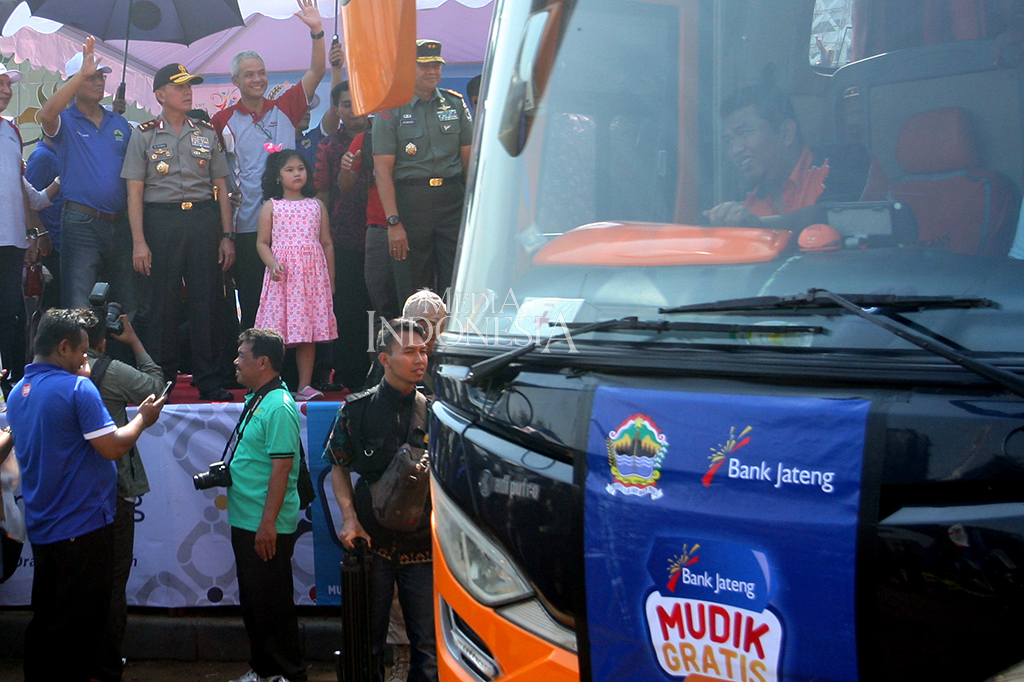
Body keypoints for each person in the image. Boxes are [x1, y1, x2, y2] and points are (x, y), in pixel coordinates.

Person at [5, 308, 165, 682]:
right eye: (81, 352)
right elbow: (112, 447)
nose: (84, 360)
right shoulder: (78, 388)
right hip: (84, 530)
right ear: (63, 347)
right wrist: (143, 418)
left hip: (44, 530)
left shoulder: (16, 393)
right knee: (80, 632)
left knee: (47, 622)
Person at [324, 318, 436, 682]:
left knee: (428, 646)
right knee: (365, 642)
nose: (420, 359)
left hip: (423, 545)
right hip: (371, 543)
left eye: (423, 351)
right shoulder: (355, 410)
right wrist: (348, 518)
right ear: (385, 359)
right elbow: (338, 467)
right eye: (409, 352)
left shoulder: (437, 415)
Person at [121, 63, 236, 402]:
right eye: (180, 87)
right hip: (161, 221)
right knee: (162, 303)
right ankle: (162, 379)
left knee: (207, 300)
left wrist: (227, 234)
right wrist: (139, 242)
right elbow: (134, 193)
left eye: (191, 86)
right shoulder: (143, 134)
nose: (188, 92)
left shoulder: (205, 131)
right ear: (160, 95)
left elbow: (221, 186)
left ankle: (209, 378)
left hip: (203, 219)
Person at [211, 0, 327, 331]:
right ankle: (254, 371)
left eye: (262, 73)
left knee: (294, 297)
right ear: (236, 80)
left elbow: (317, 71)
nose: (258, 79)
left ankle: (290, 374)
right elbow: (216, 175)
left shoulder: (286, 107)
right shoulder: (222, 120)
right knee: (252, 299)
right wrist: (226, 231)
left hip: (291, 226)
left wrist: (317, 31)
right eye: (250, 74)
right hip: (247, 225)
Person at [82, 311, 165, 682]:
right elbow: (156, 388)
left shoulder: (49, 377)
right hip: (113, 488)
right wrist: (133, 341)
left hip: (72, 490)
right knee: (113, 581)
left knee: (74, 578)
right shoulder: (109, 371)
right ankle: (106, 665)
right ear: (101, 341)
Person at [227, 328, 306, 682]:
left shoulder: (279, 406)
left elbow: (283, 468)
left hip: (265, 525)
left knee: (272, 606)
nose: (236, 362)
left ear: (263, 362)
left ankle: (287, 674)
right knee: (256, 604)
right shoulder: (258, 397)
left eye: (242, 356)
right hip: (247, 519)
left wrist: (268, 524)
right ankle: (263, 671)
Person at [38, 39, 137, 313]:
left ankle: (119, 357)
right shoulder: (65, 120)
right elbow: (45, 114)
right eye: (90, 77)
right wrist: (80, 73)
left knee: (125, 305)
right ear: (74, 82)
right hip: (81, 224)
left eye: (100, 77)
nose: (98, 82)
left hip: (120, 224)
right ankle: (83, 358)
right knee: (79, 307)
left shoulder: (119, 122)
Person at [704, 82, 886, 230]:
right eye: (729, 141)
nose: (735, 150)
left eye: (744, 132)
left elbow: (836, 218)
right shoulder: (742, 200)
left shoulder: (848, 161)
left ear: (787, 132)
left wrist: (760, 227)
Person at [372, 39, 473, 305]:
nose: (432, 72)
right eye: (424, 66)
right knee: (415, 288)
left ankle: (453, 343)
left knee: (458, 282)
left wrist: (472, 213)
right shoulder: (390, 109)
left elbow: (469, 164)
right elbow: (382, 170)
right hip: (411, 203)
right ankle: (416, 344)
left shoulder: (455, 104)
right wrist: (393, 222)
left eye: (436, 66)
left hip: (452, 200)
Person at [255, 150, 337, 401]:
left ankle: (304, 385)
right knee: (276, 334)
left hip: (310, 281)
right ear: (278, 177)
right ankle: (269, 385)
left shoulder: (316, 205)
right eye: (289, 170)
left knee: (307, 333)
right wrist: (272, 264)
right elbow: (262, 243)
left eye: (300, 168)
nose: (297, 173)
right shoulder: (272, 206)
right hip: (283, 280)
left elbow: (326, 243)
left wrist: (330, 280)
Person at [314, 80, 373, 390]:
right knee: (348, 309)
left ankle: (383, 371)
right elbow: (322, 193)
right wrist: (319, 240)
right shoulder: (328, 145)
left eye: (360, 102)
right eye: (347, 104)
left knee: (380, 305)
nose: (354, 110)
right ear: (336, 109)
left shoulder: (384, 134)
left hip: (383, 234)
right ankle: (350, 374)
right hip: (343, 238)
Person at [0, 62, 56, 382]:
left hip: (10, 241)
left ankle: (16, 386)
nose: (7, 90)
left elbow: (28, 193)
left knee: (12, 315)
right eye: (0, 84)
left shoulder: (11, 129)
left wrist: (63, 180)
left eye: (9, 85)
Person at [341, 126, 400, 324]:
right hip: (377, 229)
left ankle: (418, 353)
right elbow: (345, 185)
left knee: (418, 303)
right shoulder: (365, 138)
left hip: (415, 227)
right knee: (379, 307)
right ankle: (382, 355)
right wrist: (346, 169)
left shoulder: (415, 128)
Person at [24, 137, 63, 312]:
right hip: (49, 245)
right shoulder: (41, 156)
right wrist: (42, 233)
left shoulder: (62, 155)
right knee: (49, 306)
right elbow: (28, 202)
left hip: (64, 240)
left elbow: (38, 199)